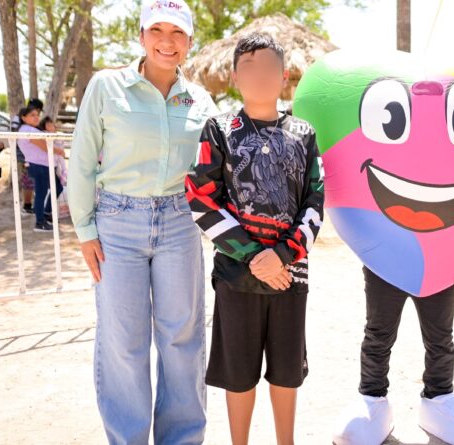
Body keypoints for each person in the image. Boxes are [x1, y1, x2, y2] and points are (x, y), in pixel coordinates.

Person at [67, 0, 217, 443]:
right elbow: (81, 161)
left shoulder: (202, 101)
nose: (166, 42)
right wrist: (85, 231)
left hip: (179, 224)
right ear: (141, 36)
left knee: (182, 340)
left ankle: (183, 437)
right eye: (157, 31)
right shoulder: (106, 87)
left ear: (190, 42)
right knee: (124, 343)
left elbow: (215, 170)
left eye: (178, 34)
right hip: (117, 222)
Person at [186, 33, 324, 445]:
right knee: (238, 371)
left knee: (286, 370)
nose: (260, 76)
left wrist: (282, 255)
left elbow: (315, 200)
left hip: (289, 276)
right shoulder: (219, 129)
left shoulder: (303, 132)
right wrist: (253, 257)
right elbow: (200, 199)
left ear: (284, 76)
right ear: (235, 76)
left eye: (269, 68)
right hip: (236, 275)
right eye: (250, 67)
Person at [16, 105, 65, 232]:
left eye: (37, 115)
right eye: (32, 115)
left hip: (46, 165)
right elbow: (44, 146)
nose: (36, 117)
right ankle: (40, 222)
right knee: (41, 194)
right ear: (23, 117)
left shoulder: (31, 129)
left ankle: (46, 213)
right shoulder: (27, 130)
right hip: (39, 165)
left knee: (57, 188)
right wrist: (58, 151)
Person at [11, 98, 43, 214]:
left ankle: (30, 204)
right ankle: (27, 205)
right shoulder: (20, 118)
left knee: (31, 181)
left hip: (29, 154)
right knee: (28, 181)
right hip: (23, 155)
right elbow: (15, 133)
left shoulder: (28, 118)